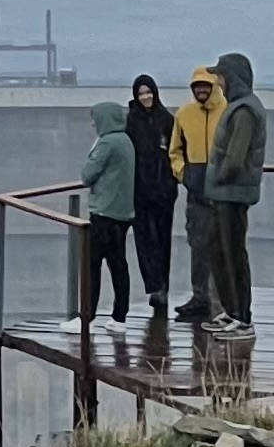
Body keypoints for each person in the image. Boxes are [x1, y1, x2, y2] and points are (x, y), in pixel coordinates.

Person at [201, 49, 266, 334]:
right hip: (222, 196)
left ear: (233, 79)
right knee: (217, 251)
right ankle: (230, 311)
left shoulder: (244, 111)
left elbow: (235, 159)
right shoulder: (238, 106)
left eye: (222, 77)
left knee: (233, 255)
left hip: (232, 196)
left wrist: (219, 179)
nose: (219, 84)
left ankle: (243, 316)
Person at [167, 62, 226, 321]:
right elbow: (174, 151)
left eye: (206, 86)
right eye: (197, 86)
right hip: (196, 191)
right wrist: (184, 174)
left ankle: (223, 300)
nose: (201, 90)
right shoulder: (184, 114)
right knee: (198, 244)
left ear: (214, 87)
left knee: (223, 246)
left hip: (222, 191)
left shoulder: (227, 112)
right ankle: (200, 297)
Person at [79, 99, 136, 321]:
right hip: (122, 213)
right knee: (118, 264)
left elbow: (86, 175)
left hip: (104, 213)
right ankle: (119, 316)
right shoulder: (125, 140)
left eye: (96, 120)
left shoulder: (107, 143)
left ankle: (87, 317)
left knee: (92, 266)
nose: (94, 125)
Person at [124, 72, 175, 313]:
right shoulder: (130, 122)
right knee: (145, 241)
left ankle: (162, 288)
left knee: (163, 240)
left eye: (148, 92)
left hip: (164, 191)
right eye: (141, 93)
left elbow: (175, 151)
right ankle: (154, 286)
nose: (145, 97)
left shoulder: (167, 119)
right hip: (139, 193)